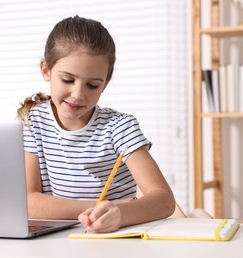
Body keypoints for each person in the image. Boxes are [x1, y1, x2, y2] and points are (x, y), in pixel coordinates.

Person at [17, 15, 175, 233]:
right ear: (46, 70)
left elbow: (164, 199)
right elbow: (28, 203)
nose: (78, 94)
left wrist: (121, 214)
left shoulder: (119, 127)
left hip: (113, 238)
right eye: (67, 80)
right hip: (59, 241)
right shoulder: (33, 122)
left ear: (105, 84)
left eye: (92, 85)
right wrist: (95, 209)